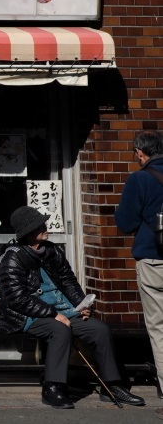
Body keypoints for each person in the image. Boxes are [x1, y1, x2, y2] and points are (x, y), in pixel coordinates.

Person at [0, 205, 144, 408]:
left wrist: (80, 304)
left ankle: (112, 386)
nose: (45, 227)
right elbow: (16, 298)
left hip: (61, 308)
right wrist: (52, 313)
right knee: (59, 330)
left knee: (99, 330)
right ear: (28, 231)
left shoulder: (51, 250)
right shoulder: (12, 258)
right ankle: (53, 387)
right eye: (40, 225)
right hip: (26, 314)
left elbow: (68, 281)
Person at [115, 130, 163, 396]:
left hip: (154, 260)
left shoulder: (140, 180)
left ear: (140, 153)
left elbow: (126, 223)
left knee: (159, 327)